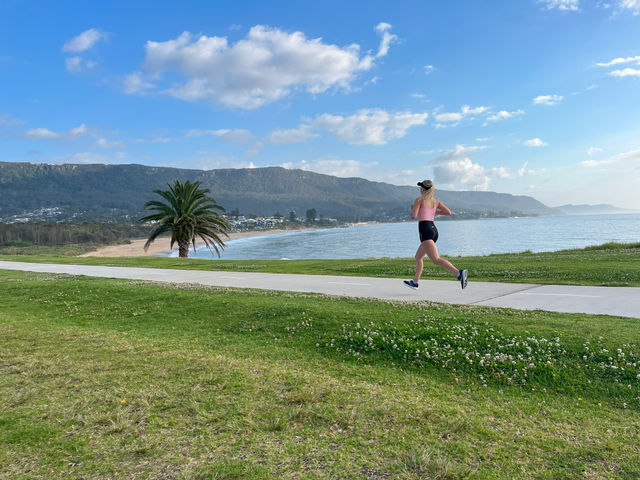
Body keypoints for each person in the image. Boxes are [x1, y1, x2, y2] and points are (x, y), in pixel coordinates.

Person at [404, 180, 468, 290]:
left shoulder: (419, 200)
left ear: (424, 189)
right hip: (433, 230)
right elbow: (448, 212)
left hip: (425, 231)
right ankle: (415, 282)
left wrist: (414, 208)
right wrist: (433, 211)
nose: (420, 189)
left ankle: (459, 273)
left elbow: (413, 216)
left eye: (421, 187)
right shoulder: (435, 202)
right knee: (418, 257)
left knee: (436, 259)